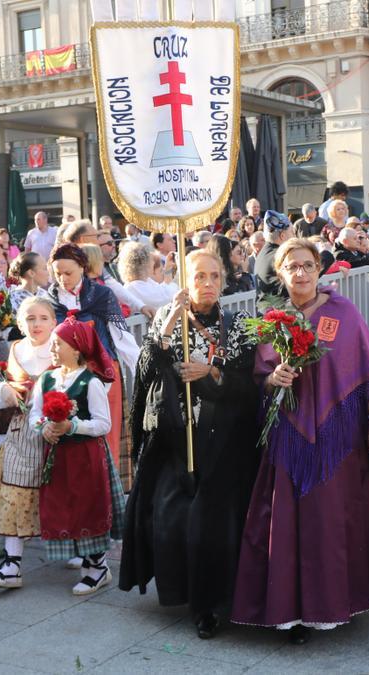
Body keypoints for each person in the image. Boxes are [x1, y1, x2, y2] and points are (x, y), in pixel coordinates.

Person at [232, 238, 369, 644]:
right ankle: (287, 607)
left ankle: (331, 605)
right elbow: (259, 381)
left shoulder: (344, 312)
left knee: (331, 519)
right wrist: (271, 380)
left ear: (319, 268)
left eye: (307, 265)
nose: (300, 272)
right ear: (279, 274)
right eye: (291, 266)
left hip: (339, 436)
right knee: (286, 519)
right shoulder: (272, 320)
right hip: (288, 435)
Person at [120, 249, 260, 638]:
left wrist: (210, 372)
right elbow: (146, 373)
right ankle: (182, 591)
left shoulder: (239, 325)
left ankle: (210, 606)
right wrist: (166, 329)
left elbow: (249, 387)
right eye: (200, 276)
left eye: (215, 276)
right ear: (184, 279)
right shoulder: (167, 320)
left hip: (224, 444)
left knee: (211, 525)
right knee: (168, 516)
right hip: (175, 440)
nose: (208, 284)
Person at [28, 313, 125, 595]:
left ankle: (98, 567)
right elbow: (35, 414)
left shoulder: (90, 382)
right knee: (65, 503)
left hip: (86, 457)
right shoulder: (47, 379)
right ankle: (87, 561)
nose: (53, 349)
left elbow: (103, 424)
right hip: (58, 457)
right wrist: (44, 428)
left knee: (88, 504)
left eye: (59, 344)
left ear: (77, 347)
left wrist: (73, 425)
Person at [0, 297, 55, 565]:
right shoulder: (15, 348)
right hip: (20, 432)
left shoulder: (60, 348)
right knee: (16, 492)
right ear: (19, 322)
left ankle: (74, 547)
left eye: (42, 318)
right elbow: (2, 389)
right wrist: (4, 391)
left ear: (54, 322)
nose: (36, 324)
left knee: (58, 491)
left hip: (55, 431)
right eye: (30, 318)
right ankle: (12, 560)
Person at [44, 244, 139, 485]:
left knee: (106, 435)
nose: (63, 279)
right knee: (71, 441)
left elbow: (121, 337)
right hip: (65, 377)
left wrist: (143, 370)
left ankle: (109, 496)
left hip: (103, 375)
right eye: (58, 274)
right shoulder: (48, 300)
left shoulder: (101, 296)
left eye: (68, 273)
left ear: (82, 268)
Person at [120, 243, 176, 312]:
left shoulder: (145, 281)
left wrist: (168, 269)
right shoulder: (134, 287)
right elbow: (166, 297)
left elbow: (163, 290)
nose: (153, 262)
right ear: (144, 263)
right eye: (150, 259)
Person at [254, 211, 294, 296]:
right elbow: (303, 277)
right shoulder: (279, 257)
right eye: (292, 232)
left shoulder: (265, 253)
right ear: (282, 236)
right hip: (279, 307)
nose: (294, 236)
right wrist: (326, 255)